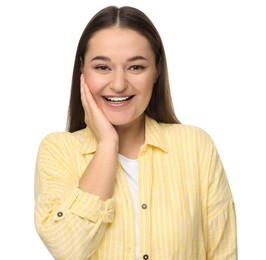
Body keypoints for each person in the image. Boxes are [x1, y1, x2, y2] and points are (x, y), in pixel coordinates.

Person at [34, 5, 237, 260]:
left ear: (157, 71)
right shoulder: (58, 150)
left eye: (136, 67)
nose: (119, 84)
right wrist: (107, 144)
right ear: (82, 71)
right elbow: (66, 248)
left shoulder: (196, 146)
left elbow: (224, 253)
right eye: (102, 67)